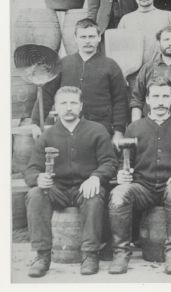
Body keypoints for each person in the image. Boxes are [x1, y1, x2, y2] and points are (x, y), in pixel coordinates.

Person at [24, 86, 118, 277]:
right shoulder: (47, 136)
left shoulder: (97, 130)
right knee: (35, 194)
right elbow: (31, 169)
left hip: (85, 188)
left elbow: (110, 162)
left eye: (73, 103)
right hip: (56, 190)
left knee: (94, 194)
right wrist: (38, 178)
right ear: (56, 107)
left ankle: (90, 254)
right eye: (63, 103)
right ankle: (42, 256)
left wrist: (96, 177)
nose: (68, 107)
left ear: (81, 105)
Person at [108, 77, 171, 275]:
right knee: (119, 194)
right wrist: (122, 173)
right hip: (142, 187)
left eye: (165, 96)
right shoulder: (134, 128)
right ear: (147, 99)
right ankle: (121, 252)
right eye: (155, 96)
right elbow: (124, 161)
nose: (160, 101)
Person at [31, 18, 128, 148]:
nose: (87, 41)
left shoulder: (110, 66)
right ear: (76, 38)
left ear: (99, 37)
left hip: (100, 129)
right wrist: (36, 123)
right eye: (83, 37)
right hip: (67, 128)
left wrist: (118, 132)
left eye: (92, 36)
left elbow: (120, 100)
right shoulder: (62, 64)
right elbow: (46, 95)